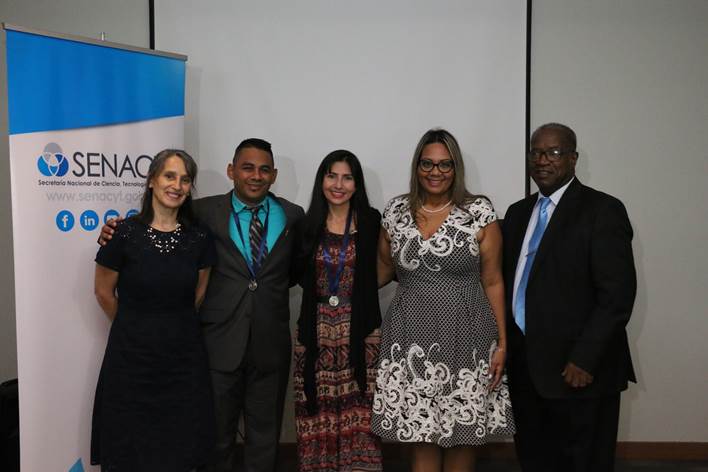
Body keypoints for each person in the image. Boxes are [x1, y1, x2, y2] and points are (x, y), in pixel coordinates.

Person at [100, 139, 305, 472]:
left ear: (274, 175)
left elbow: (297, 270)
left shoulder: (293, 216)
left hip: (269, 343)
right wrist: (113, 231)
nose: (256, 176)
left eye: (264, 169)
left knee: (264, 437)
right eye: (247, 167)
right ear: (231, 171)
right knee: (215, 435)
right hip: (218, 343)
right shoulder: (205, 213)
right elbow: (160, 228)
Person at [372, 128, 514, 471]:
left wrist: (503, 343)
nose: (436, 172)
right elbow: (378, 273)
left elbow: (493, 280)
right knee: (420, 433)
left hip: (466, 336)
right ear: (417, 166)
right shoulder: (395, 212)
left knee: (462, 435)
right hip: (409, 337)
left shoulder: (478, 211)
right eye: (428, 164)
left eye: (445, 165)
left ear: (456, 168)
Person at [502, 123, 636, 472]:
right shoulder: (518, 213)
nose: (542, 160)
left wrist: (586, 358)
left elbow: (617, 295)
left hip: (578, 374)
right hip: (527, 371)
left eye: (554, 152)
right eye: (536, 152)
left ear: (573, 159)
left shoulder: (602, 210)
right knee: (535, 461)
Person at [92, 149, 216, 471]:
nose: (177, 185)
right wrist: (137, 328)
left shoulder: (199, 238)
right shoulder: (122, 233)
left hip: (183, 361)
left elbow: (198, 294)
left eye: (185, 179)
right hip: (131, 361)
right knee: (130, 447)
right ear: (151, 182)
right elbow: (103, 292)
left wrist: (168, 329)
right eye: (169, 176)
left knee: (181, 446)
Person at [292, 150, 383, 471]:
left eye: (347, 177)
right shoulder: (306, 225)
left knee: (360, 415)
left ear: (357, 184)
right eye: (332, 176)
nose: (339, 184)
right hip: (315, 334)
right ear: (322, 180)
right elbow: (294, 275)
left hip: (361, 334)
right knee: (318, 415)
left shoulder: (372, 223)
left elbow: (384, 270)